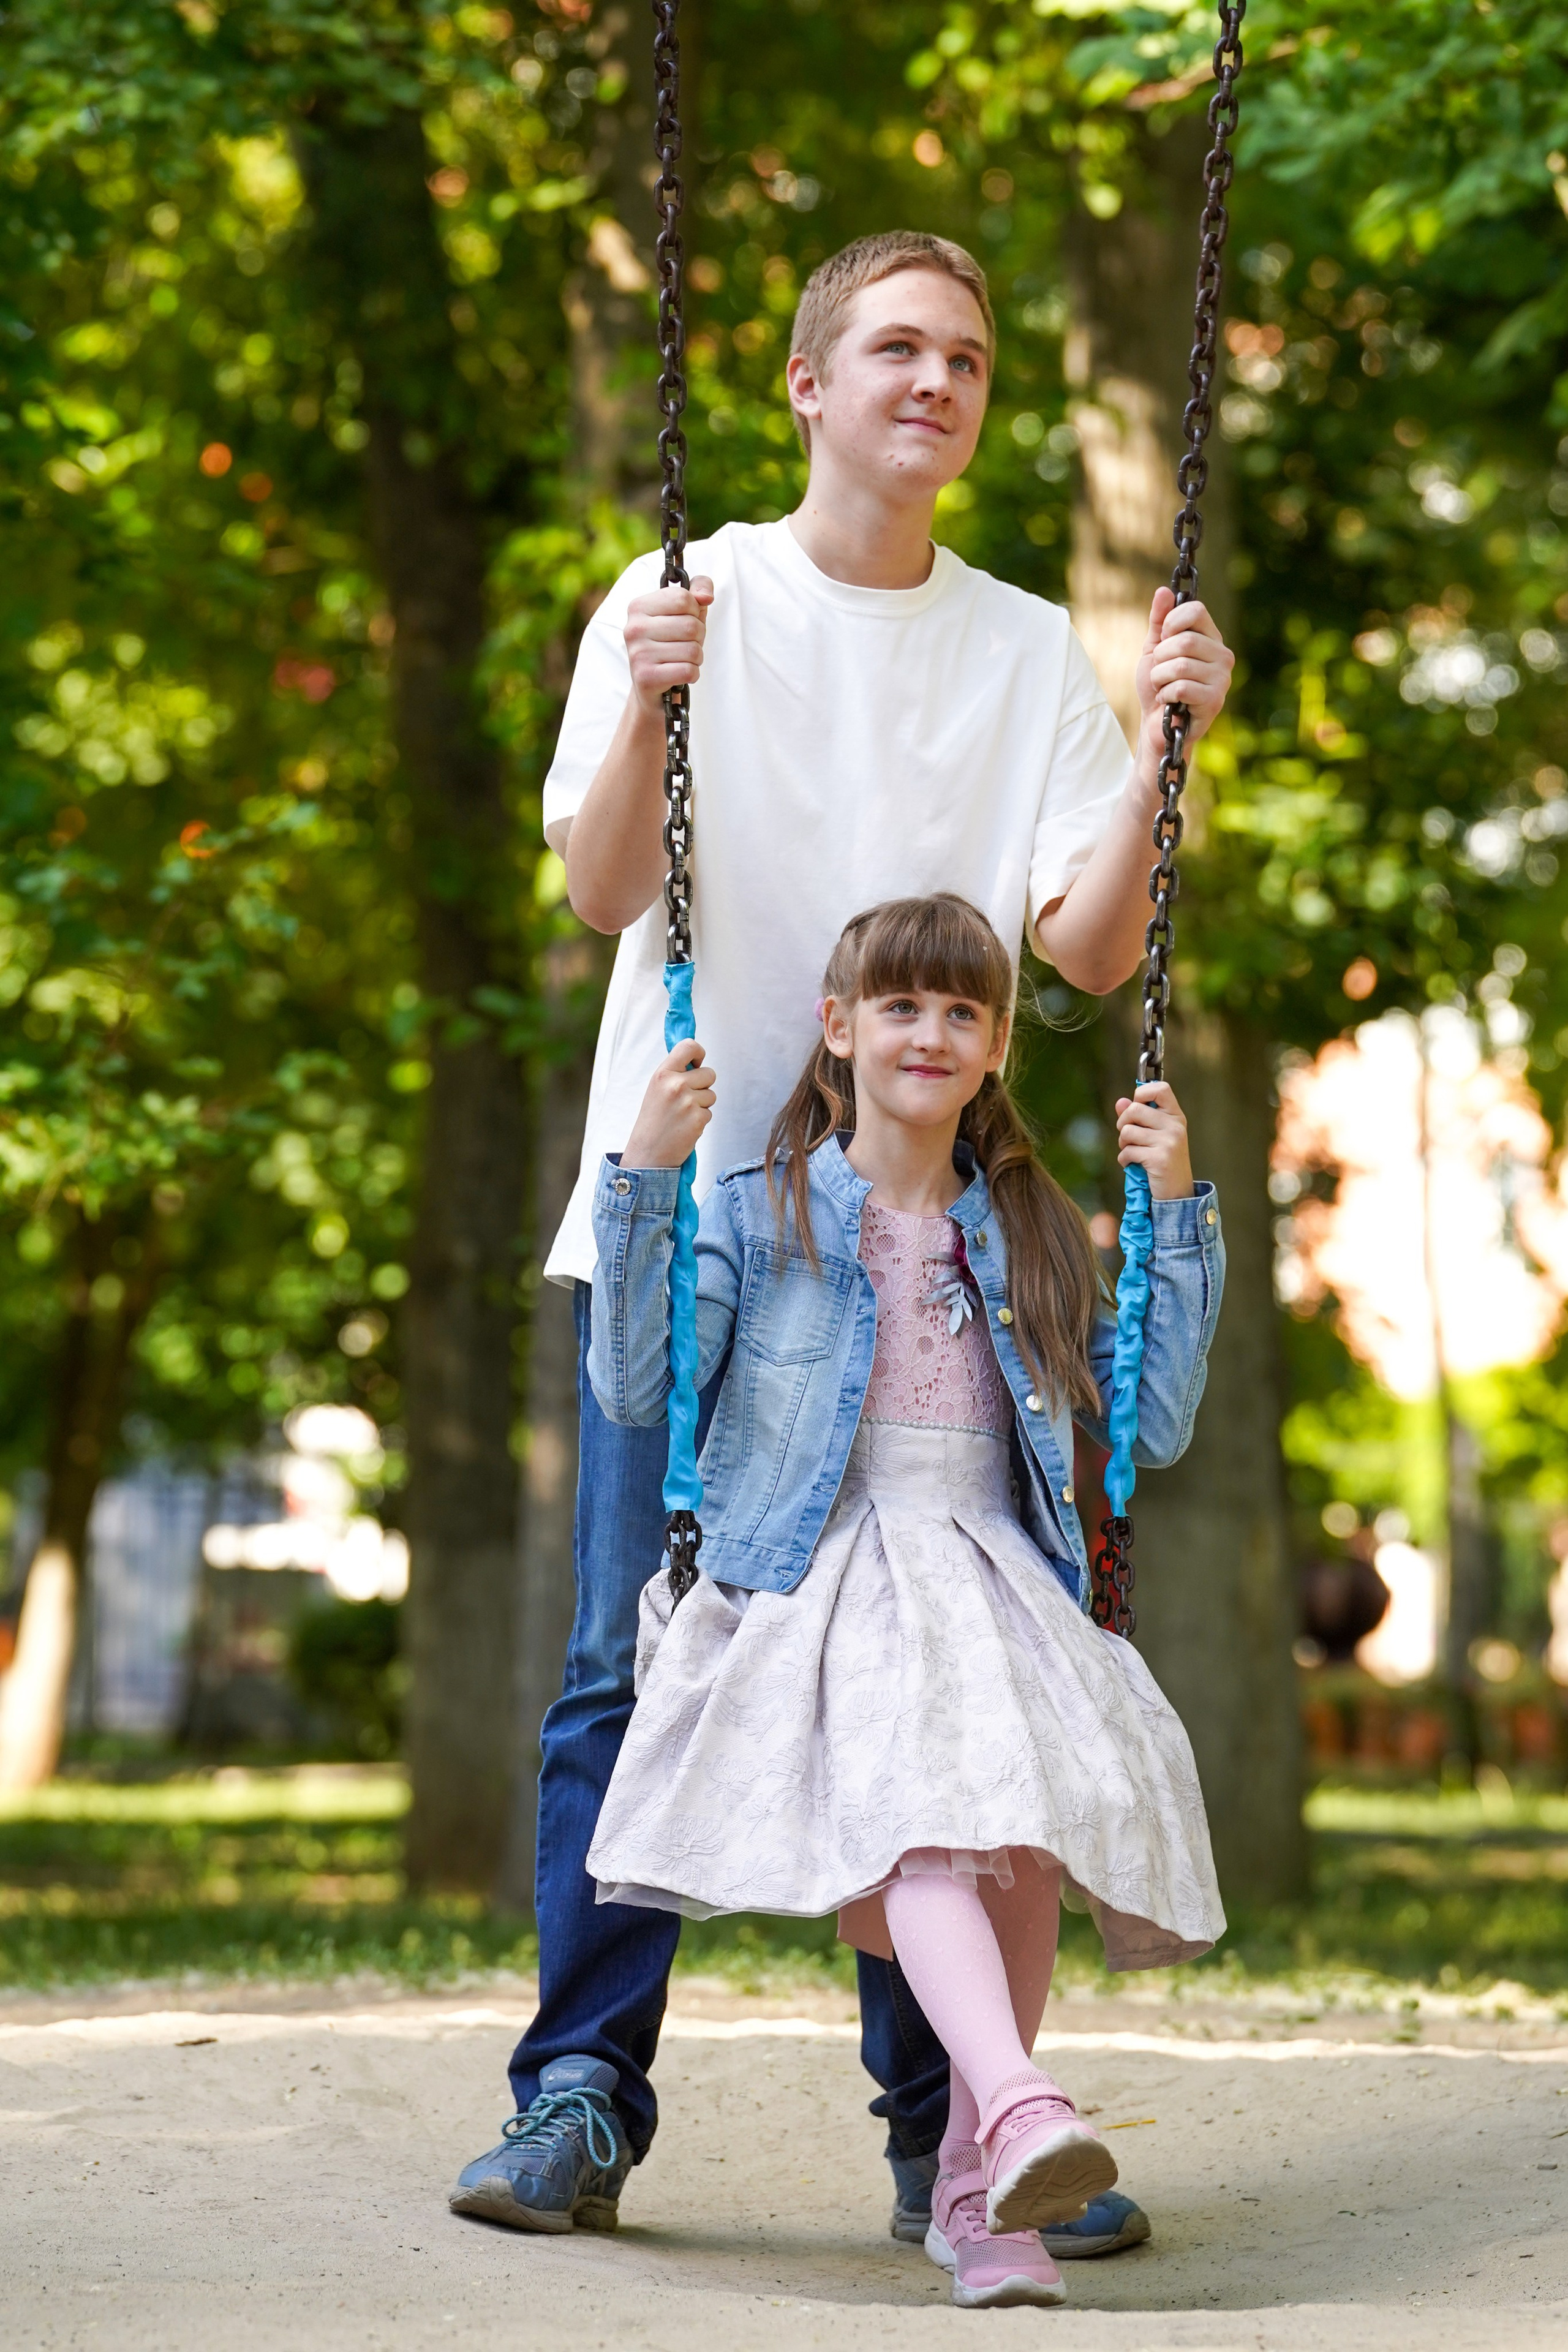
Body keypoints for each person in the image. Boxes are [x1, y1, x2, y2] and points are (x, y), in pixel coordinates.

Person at [449, 229, 1235, 2245]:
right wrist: (642, 703)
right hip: (707, 1207)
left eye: (967, 355)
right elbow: (601, 884)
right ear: (805, 382)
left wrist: (1160, 756)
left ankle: (949, 2127)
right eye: (895, 345)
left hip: (917, 1224)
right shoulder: (691, 592)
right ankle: (579, 2097)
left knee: (940, 1685)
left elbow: (1080, 951)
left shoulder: (1015, 646)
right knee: (632, 1669)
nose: (937, 379)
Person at [582, 892, 1226, 2309]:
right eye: (898, 1006)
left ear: (994, 1046)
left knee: (1025, 1849)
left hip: (990, 1565)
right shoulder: (758, 1216)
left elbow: (1149, 1427)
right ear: (837, 1029)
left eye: (959, 1011)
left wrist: (1173, 1214)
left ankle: (973, 2209)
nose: (926, 1032)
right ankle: (1014, 2107)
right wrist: (641, 1174)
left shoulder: (1033, 1228)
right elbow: (637, 1390)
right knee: (931, 1815)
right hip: (824, 1572)